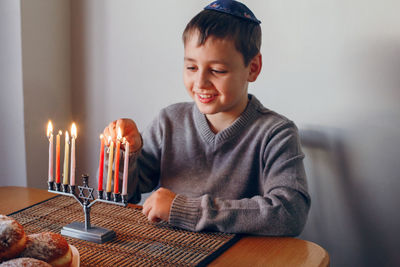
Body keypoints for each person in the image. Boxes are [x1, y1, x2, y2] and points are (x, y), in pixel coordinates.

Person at [103, 0, 310, 236]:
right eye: (191, 68)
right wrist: (126, 154)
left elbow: (290, 213)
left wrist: (183, 209)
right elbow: (123, 196)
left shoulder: (276, 133)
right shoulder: (168, 121)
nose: (200, 83)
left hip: (237, 257)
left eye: (218, 70)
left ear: (253, 68)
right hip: (163, 249)